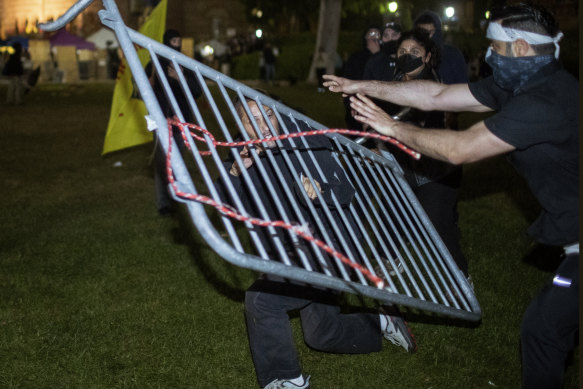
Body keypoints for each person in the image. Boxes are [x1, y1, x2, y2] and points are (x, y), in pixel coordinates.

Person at [323, 4, 577, 388]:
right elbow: (437, 94)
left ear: (522, 47)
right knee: (545, 332)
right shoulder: (518, 85)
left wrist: (391, 127)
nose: (488, 54)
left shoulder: (545, 100)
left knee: (542, 332)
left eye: (494, 46)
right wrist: (363, 85)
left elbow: (461, 149)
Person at [216, 96, 417, 389]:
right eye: (251, 121)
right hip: (289, 250)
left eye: (268, 117)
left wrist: (320, 190)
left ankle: (285, 380)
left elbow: (346, 191)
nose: (262, 128)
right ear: (240, 125)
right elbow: (226, 209)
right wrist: (237, 170)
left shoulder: (305, 138)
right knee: (321, 334)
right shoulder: (242, 149)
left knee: (262, 301)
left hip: (333, 245)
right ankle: (381, 322)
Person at [381, 28, 468, 277]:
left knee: (439, 225)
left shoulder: (434, 86)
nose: (407, 56)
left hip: (436, 170)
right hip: (402, 165)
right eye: (402, 51)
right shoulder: (392, 84)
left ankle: (461, 278)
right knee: (390, 210)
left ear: (428, 57)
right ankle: (389, 258)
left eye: (415, 52)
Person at [145, 29, 202, 216]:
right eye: (173, 40)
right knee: (162, 164)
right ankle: (164, 204)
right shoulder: (154, 63)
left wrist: (180, 78)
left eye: (179, 40)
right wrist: (147, 83)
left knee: (179, 164)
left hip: (181, 121)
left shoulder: (185, 63)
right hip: (161, 120)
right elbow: (141, 90)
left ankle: (179, 199)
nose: (176, 44)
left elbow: (197, 90)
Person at [341, 26, 381, 129]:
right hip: (358, 108)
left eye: (377, 34)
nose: (374, 37)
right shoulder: (356, 58)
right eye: (370, 34)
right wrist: (351, 105)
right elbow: (349, 81)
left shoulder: (386, 58)